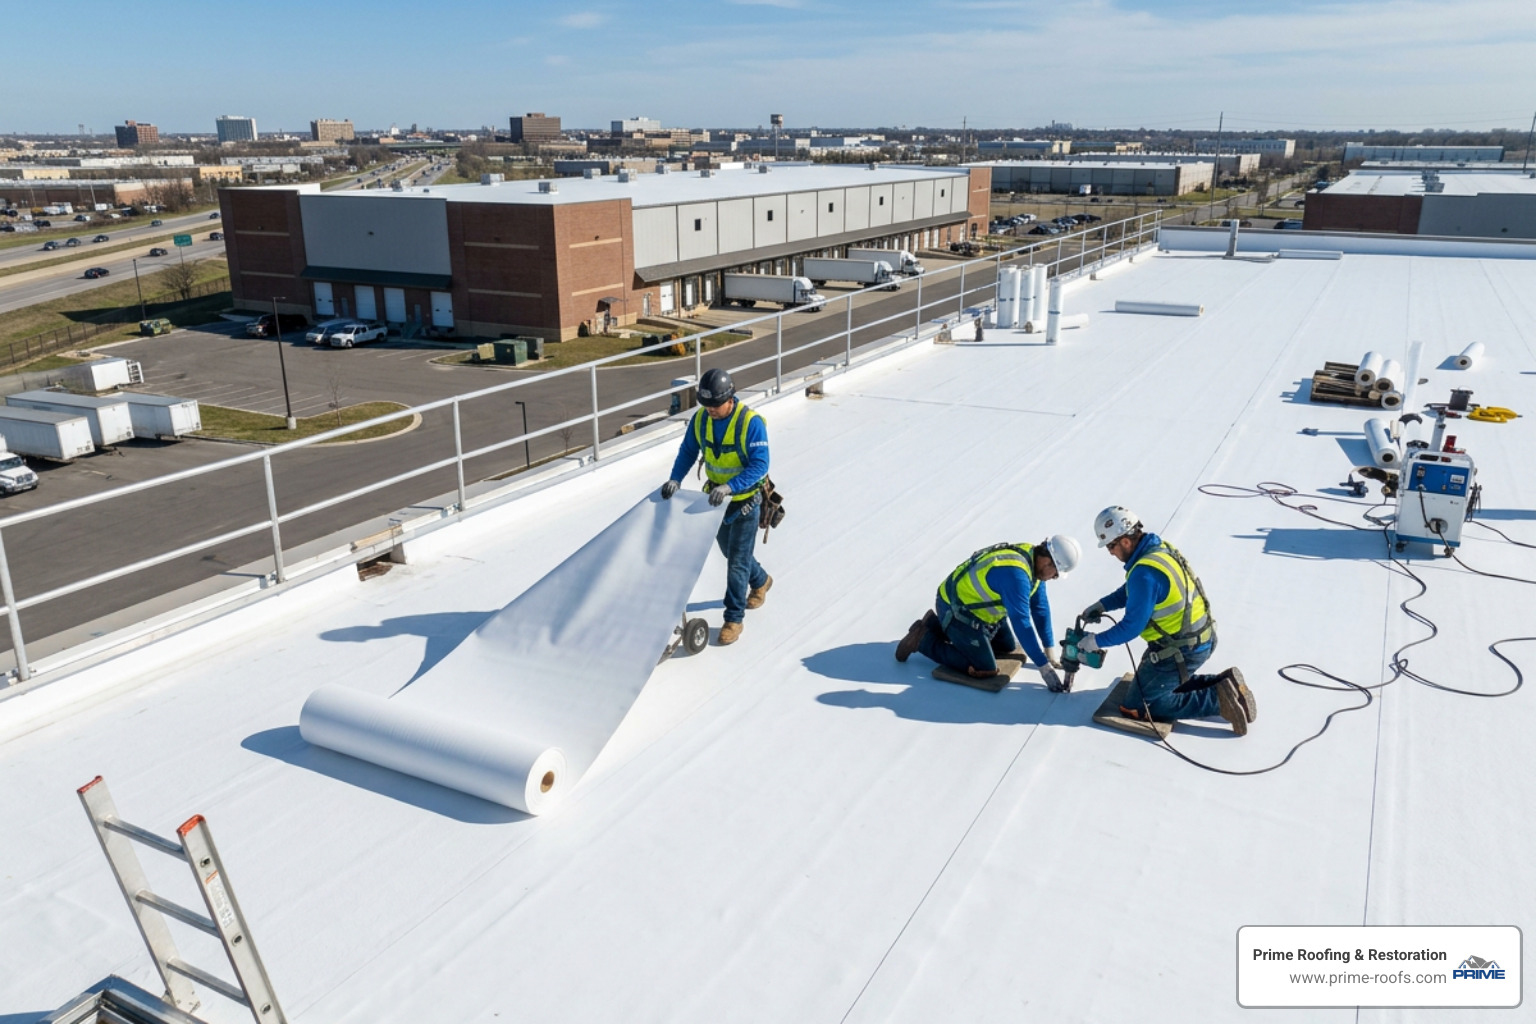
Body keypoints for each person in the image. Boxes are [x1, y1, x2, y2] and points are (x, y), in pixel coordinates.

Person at [1076, 505, 1256, 734]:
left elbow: (1131, 627)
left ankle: (1218, 700)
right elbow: (1134, 590)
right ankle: (1222, 683)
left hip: (1181, 650)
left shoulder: (1144, 574)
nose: (1110, 552)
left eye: (1110, 546)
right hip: (1200, 638)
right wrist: (1103, 605)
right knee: (1154, 684)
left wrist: (1094, 642)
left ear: (1125, 541)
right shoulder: (1159, 549)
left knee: (1137, 706)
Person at [659, 368, 770, 646]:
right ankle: (761, 580)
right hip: (716, 501)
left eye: (715, 405)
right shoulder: (701, 420)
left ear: (730, 398)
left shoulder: (750, 423)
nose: (710, 410)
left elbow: (760, 464)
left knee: (736, 563)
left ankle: (734, 618)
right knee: (730, 552)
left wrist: (731, 487)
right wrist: (675, 479)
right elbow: (688, 451)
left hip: (745, 500)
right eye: (705, 405)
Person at [895, 536, 1082, 692]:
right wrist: (1043, 667)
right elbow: (1022, 623)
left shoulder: (1032, 559)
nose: (1054, 578)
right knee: (984, 668)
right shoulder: (1016, 576)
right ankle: (923, 639)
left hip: (980, 613)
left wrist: (1049, 650)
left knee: (1007, 646)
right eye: (1056, 573)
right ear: (1048, 561)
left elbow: (1040, 609)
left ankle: (935, 625)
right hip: (957, 609)